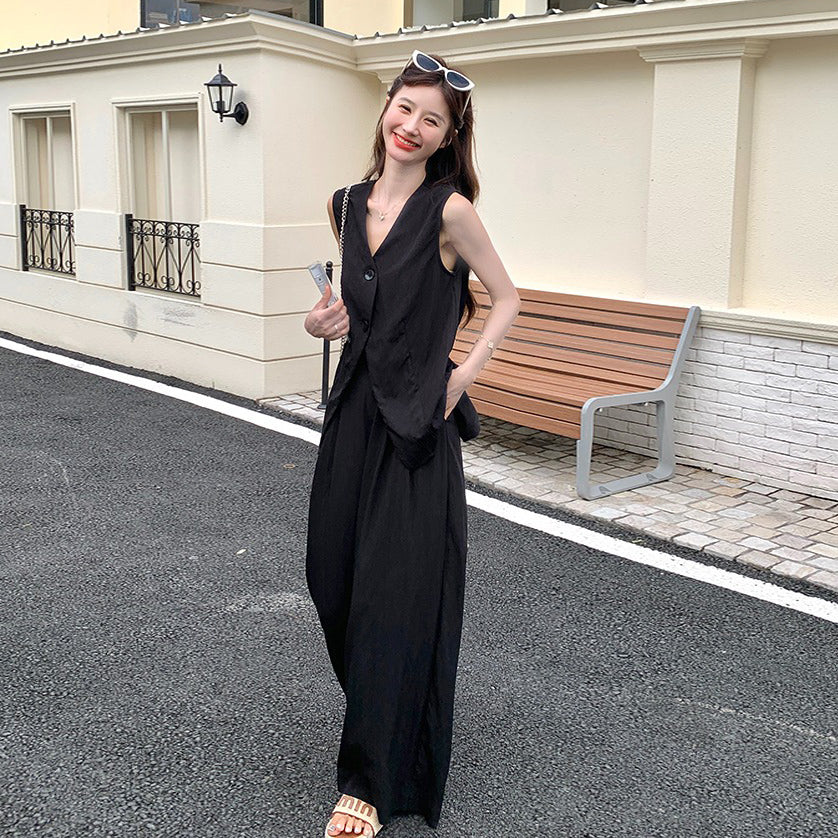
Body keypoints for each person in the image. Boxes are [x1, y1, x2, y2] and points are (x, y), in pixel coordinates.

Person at [304, 50, 521, 837]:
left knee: (391, 603)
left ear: (447, 136)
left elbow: (508, 298)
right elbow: (348, 312)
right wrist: (319, 321)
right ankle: (385, 714)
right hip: (352, 418)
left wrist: (463, 375)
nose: (413, 126)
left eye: (433, 120)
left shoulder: (450, 211)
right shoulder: (344, 203)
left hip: (416, 433)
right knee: (331, 580)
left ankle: (368, 780)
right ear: (386, 106)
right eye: (406, 108)